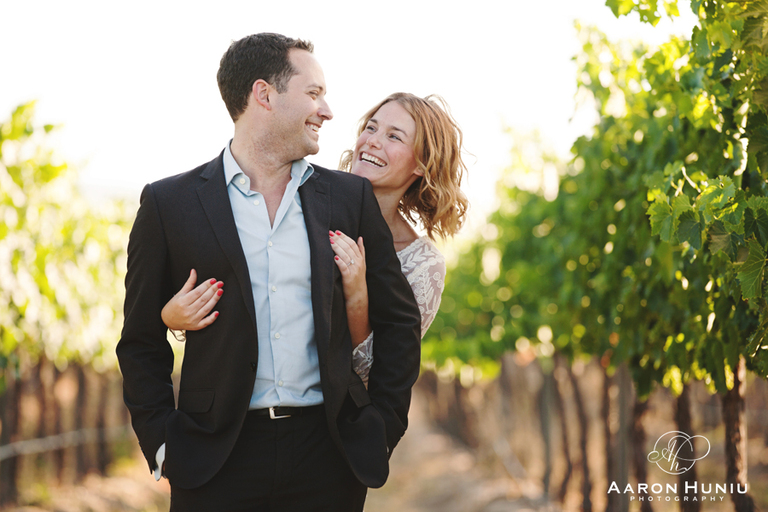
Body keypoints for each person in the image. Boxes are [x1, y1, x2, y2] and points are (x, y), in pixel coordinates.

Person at [116, 33, 421, 512]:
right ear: (265, 95)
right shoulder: (168, 204)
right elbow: (139, 341)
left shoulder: (348, 199)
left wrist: (382, 428)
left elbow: (400, 322)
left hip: (329, 458)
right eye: (314, 93)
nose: (328, 111)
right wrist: (162, 440)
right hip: (214, 460)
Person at [164, 93, 468, 386]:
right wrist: (171, 317)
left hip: (334, 425)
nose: (372, 140)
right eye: (371, 127)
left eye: (394, 136)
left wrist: (357, 294)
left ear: (421, 163)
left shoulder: (422, 264)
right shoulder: (299, 199)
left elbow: (371, 369)